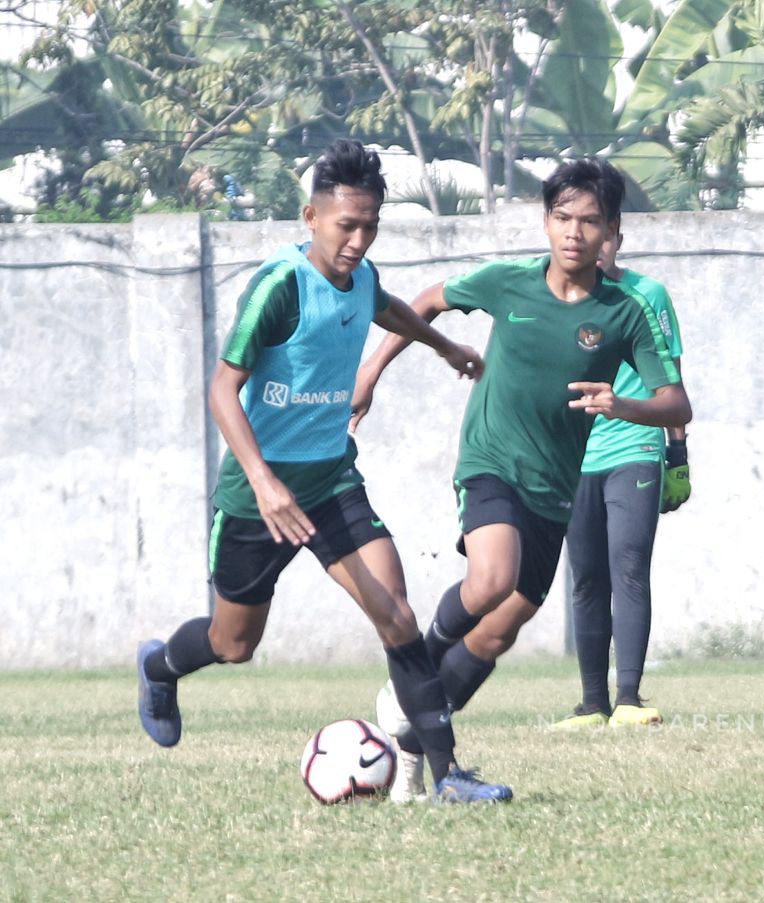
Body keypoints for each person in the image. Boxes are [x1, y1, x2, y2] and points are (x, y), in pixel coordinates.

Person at [135, 139, 500, 804]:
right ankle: (159, 664)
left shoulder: (361, 277)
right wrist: (267, 483)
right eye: (347, 225)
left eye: (371, 225)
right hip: (257, 497)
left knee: (396, 614)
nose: (359, 240)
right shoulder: (280, 286)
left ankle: (449, 775)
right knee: (233, 641)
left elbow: (386, 306)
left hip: (332, 483)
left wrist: (445, 345)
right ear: (311, 217)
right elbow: (222, 388)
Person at [352, 157, 691, 801]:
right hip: (491, 462)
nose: (574, 232)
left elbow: (677, 404)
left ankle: (413, 746)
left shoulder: (624, 314)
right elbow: (425, 302)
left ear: (611, 230)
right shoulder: (509, 283)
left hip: (554, 489)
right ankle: (412, 669)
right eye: (562, 218)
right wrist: (371, 374)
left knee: (498, 629)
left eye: (589, 221)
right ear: (545, 222)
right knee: (491, 578)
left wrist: (626, 406)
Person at [550, 229, 689, 731]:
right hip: (574, 459)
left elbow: (671, 381)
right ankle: (592, 704)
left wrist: (678, 454)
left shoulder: (647, 295)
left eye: (605, 236)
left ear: (618, 240)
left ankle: (628, 697)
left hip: (635, 447)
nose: (596, 246)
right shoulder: (559, 298)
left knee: (628, 564)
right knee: (586, 578)